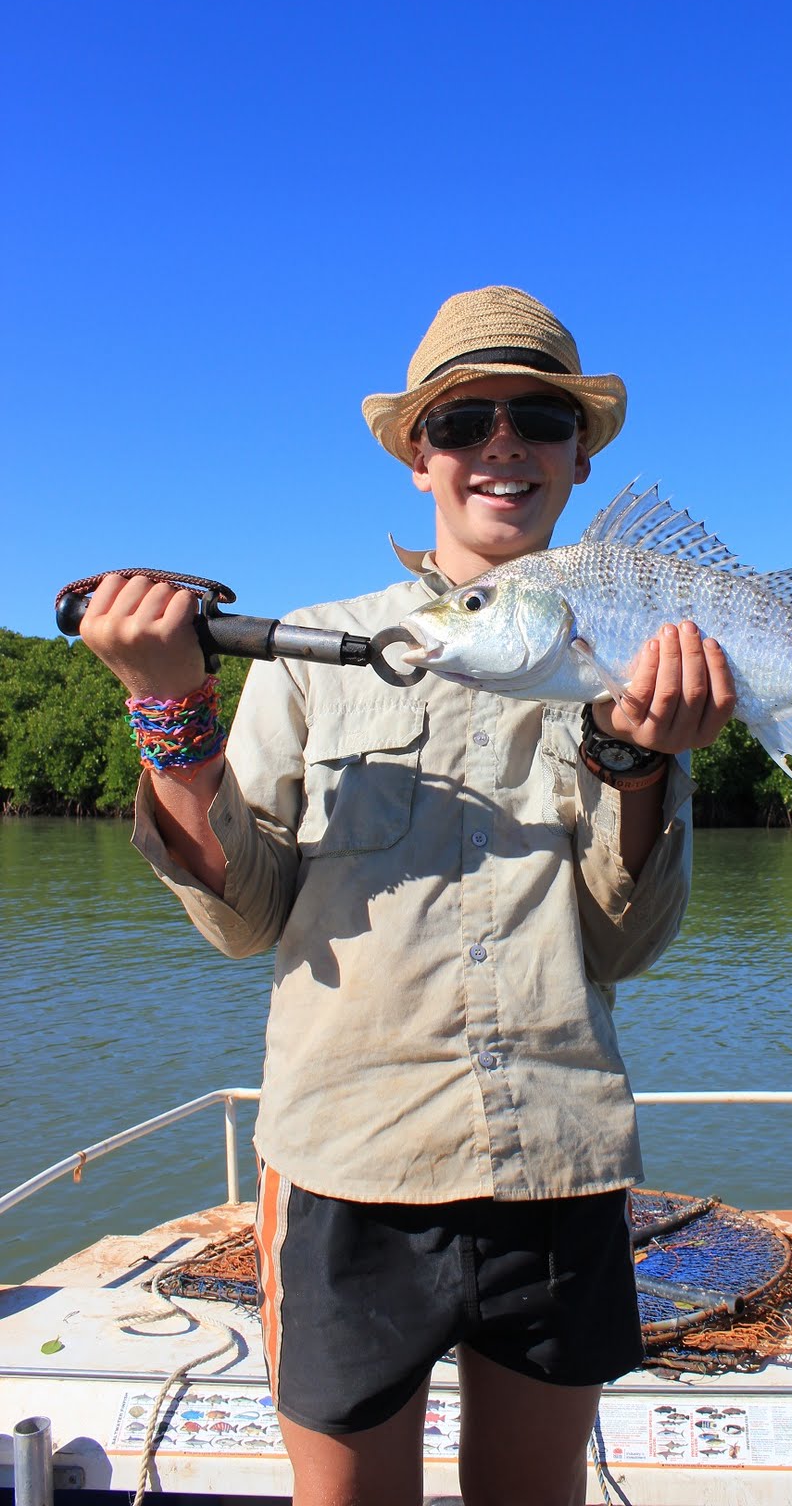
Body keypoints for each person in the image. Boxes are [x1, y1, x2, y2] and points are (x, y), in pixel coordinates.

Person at [80, 285, 736, 1506]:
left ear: (578, 457)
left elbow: (624, 938)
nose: (503, 441)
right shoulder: (310, 652)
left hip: (556, 1160)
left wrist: (639, 759)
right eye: (464, 417)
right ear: (417, 455)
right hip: (343, 1163)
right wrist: (170, 712)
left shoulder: (640, 657)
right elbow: (243, 916)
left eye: (539, 416)